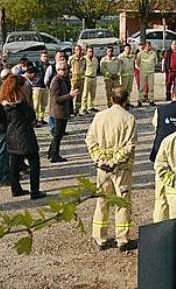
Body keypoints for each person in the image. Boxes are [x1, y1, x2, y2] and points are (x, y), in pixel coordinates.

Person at [86, 87, 137, 252]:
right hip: (121, 167)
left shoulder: (99, 116)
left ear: (111, 99)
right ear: (125, 100)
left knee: (102, 201)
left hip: (102, 167)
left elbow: (90, 140)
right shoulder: (129, 118)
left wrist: (100, 159)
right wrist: (114, 161)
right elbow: (129, 145)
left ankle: (99, 237)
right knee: (122, 202)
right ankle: (122, 239)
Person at [0, 75, 47, 200]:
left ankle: (16, 189)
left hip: (11, 135)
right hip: (25, 135)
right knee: (34, 163)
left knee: (14, 165)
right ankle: (35, 191)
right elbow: (31, 117)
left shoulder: (3, 103)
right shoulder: (22, 104)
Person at [150, 84, 176, 222]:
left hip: (163, 156)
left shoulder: (161, 110)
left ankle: (160, 225)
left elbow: (156, 126)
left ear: (173, 94)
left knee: (161, 196)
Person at [48, 62, 78, 163]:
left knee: (58, 134)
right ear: (57, 70)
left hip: (64, 111)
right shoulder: (56, 81)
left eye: (66, 69)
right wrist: (70, 95)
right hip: (58, 112)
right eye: (63, 69)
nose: (65, 71)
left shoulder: (65, 79)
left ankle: (51, 152)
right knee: (58, 134)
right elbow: (55, 98)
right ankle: (54, 155)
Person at [136, 42, 157, 107]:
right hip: (143, 72)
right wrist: (142, 68)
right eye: (147, 46)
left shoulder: (153, 53)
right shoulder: (140, 54)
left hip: (151, 72)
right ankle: (140, 100)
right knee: (141, 87)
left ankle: (151, 100)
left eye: (149, 46)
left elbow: (155, 62)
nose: (148, 47)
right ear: (144, 47)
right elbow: (137, 62)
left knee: (151, 87)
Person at [32, 51, 50, 125]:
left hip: (45, 86)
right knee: (36, 104)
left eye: (46, 57)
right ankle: (35, 119)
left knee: (44, 104)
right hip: (37, 86)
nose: (45, 58)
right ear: (40, 57)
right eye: (44, 56)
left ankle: (41, 118)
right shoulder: (36, 64)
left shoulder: (49, 65)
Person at [68, 46, 86, 114]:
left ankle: (77, 110)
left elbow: (85, 68)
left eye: (80, 50)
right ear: (74, 51)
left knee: (79, 95)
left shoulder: (84, 59)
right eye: (77, 50)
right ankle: (70, 110)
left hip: (81, 79)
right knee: (72, 94)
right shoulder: (71, 59)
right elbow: (68, 67)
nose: (79, 51)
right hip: (73, 79)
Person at [81, 47, 99, 114]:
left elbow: (96, 67)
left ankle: (90, 107)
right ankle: (83, 107)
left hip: (94, 77)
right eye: (89, 51)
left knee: (93, 93)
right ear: (86, 52)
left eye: (92, 51)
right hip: (87, 77)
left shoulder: (95, 59)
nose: (91, 53)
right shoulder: (84, 59)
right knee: (85, 93)